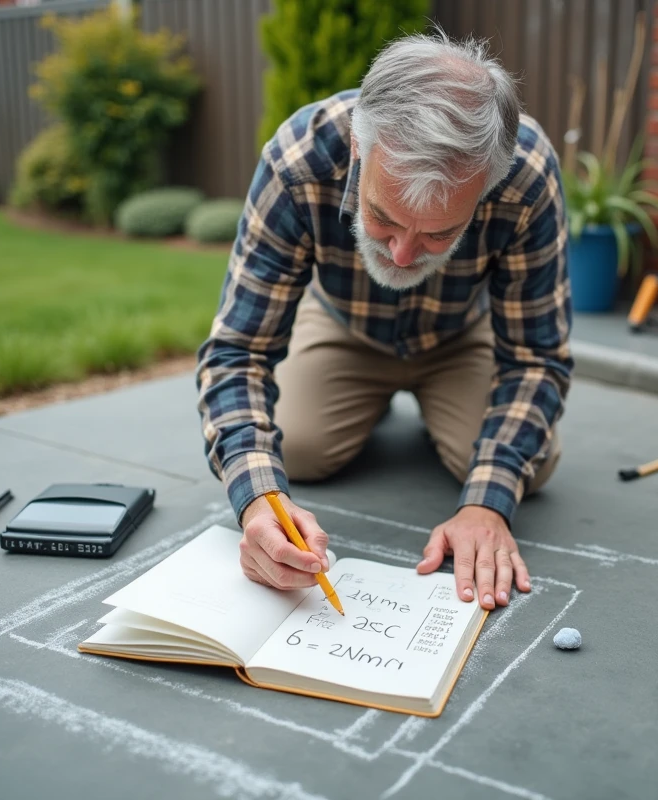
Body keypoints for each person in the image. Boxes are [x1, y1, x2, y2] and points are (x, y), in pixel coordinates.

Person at [195, 27, 572, 613]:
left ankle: (443, 408)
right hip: (343, 324)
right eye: (382, 216)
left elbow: (535, 357)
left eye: (440, 233)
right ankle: (366, 403)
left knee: (534, 465)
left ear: (487, 187)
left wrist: (487, 504)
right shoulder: (297, 161)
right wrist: (258, 500)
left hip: (460, 335)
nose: (401, 256)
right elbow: (237, 351)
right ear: (358, 145)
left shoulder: (527, 176)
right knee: (296, 450)